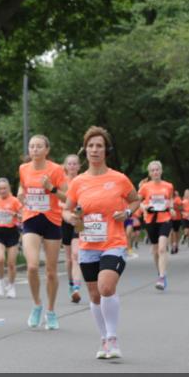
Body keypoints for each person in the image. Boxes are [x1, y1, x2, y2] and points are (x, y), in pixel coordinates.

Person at [63, 126, 141, 360]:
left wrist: (127, 212)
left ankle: (113, 338)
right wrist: (71, 218)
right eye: (90, 146)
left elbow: (135, 200)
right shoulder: (78, 182)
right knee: (95, 295)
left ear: (106, 150)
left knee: (106, 287)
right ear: (85, 150)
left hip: (113, 242)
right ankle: (104, 338)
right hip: (88, 245)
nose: (94, 150)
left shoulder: (119, 179)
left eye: (99, 146)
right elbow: (66, 210)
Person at [18, 135, 67, 330]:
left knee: (51, 271)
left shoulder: (56, 170)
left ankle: (51, 311)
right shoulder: (24, 168)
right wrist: (20, 193)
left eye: (39, 146)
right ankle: (37, 304)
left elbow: (67, 196)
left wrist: (51, 188)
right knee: (31, 266)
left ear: (47, 150)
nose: (35, 150)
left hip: (52, 220)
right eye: (32, 146)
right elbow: (23, 186)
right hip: (31, 218)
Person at [138, 161, 175, 291]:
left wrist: (171, 208)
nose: (155, 172)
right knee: (155, 250)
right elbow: (137, 201)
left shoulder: (168, 186)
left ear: (161, 171)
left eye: (157, 169)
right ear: (149, 173)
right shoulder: (145, 187)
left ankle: (162, 277)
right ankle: (160, 272)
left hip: (165, 218)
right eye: (152, 170)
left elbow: (170, 199)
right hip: (150, 220)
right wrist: (144, 207)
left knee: (162, 248)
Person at [0, 177, 23, 298]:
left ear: (8, 188)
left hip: (12, 233)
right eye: (0, 188)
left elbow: (23, 215)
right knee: (0, 259)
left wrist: (15, 214)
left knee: (11, 263)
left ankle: (11, 286)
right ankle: (0, 282)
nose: (2, 191)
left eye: (4, 188)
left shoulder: (15, 201)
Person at [60, 154, 84, 303]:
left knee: (76, 255)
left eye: (75, 164)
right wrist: (67, 207)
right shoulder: (62, 182)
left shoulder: (83, 181)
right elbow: (57, 201)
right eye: (69, 164)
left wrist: (79, 209)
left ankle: (76, 288)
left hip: (78, 220)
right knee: (68, 259)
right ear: (65, 166)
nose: (72, 166)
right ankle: (70, 283)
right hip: (64, 220)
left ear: (79, 166)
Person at [169, 189, 183, 254]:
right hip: (169, 218)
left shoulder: (177, 199)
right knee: (171, 232)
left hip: (177, 218)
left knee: (176, 232)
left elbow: (181, 208)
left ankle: (176, 245)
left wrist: (175, 207)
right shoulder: (167, 199)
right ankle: (172, 246)